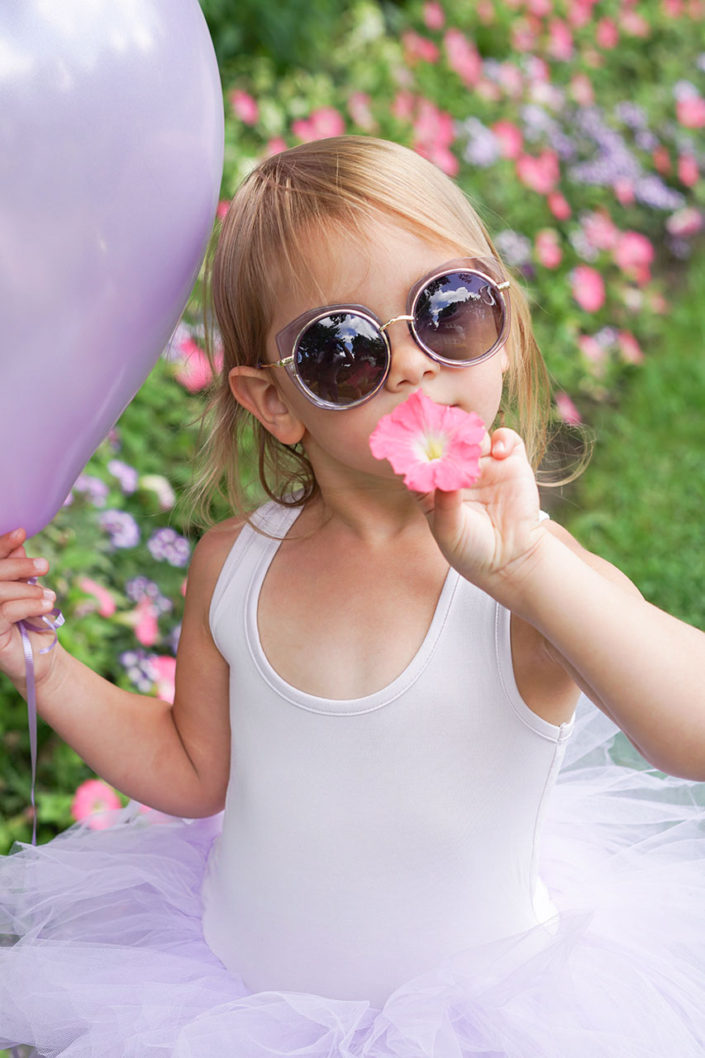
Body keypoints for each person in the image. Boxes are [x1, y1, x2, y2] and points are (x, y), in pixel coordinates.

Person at [2, 135, 705, 1057]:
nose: (413, 366)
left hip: (480, 1022)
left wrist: (528, 565)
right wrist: (43, 668)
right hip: (235, 1002)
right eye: (345, 350)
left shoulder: (528, 576)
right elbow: (192, 771)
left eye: (447, 312)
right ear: (275, 402)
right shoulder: (234, 564)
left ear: (505, 324)